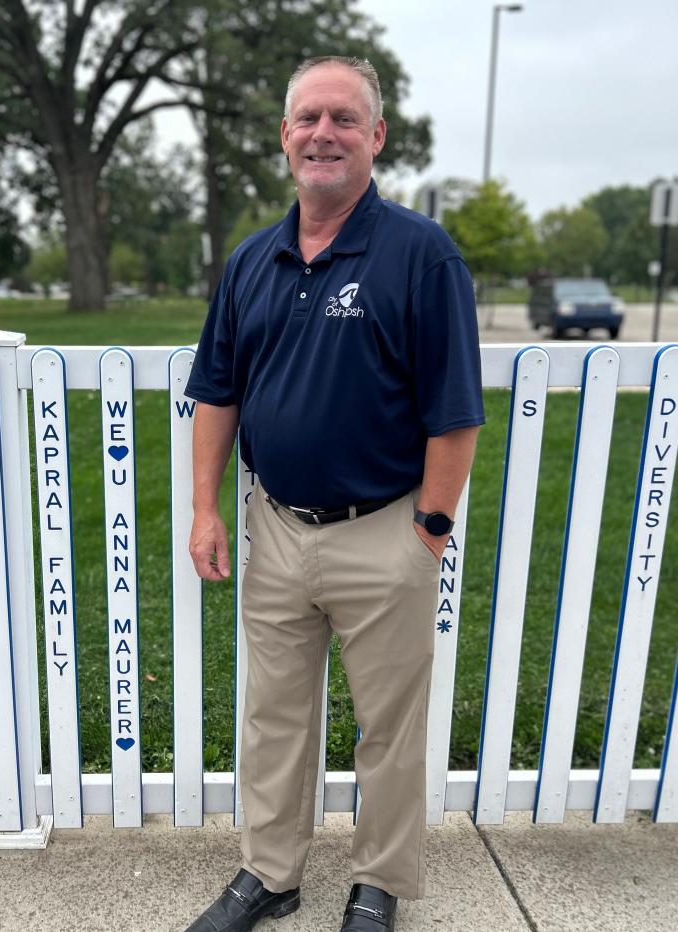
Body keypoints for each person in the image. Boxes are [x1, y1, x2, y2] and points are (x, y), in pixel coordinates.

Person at [181, 56, 484, 932]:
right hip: (274, 529)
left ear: (376, 137)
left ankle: (379, 884)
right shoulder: (252, 261)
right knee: (274, 720)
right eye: (308, 118)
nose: (324, 134)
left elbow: (453, 414)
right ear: (284, 138)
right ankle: (269, 874)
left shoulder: (421, 257)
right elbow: (218, 393)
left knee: (389, 726)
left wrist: (428, 527)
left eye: (345, 119)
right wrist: (207, 509)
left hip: (383, 532)